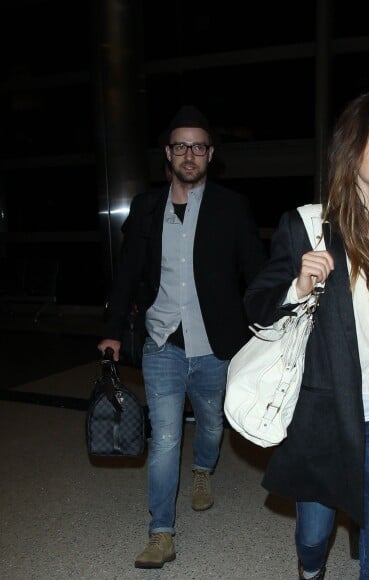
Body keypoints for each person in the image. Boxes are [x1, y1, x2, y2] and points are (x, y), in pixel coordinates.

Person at [244, 90, 369, 579]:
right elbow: (254, 307)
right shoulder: (308, 226)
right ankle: (309, 570)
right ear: (351, 150)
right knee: (314, 537)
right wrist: (297, 285)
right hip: (324, 413)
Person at [97, 104, 267, 569]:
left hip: (215, 345)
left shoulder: (232, 207)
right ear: (167, 154)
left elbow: (255, 272)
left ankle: (203, 471)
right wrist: (112, 330)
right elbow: (128, 272)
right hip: (162, 343)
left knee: (212, 424)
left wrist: (270, 321)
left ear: (210, 153)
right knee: (167, 435)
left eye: (197, 146)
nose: (188, 154)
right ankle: (161, 532)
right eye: (179, 146)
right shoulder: (147, 208)